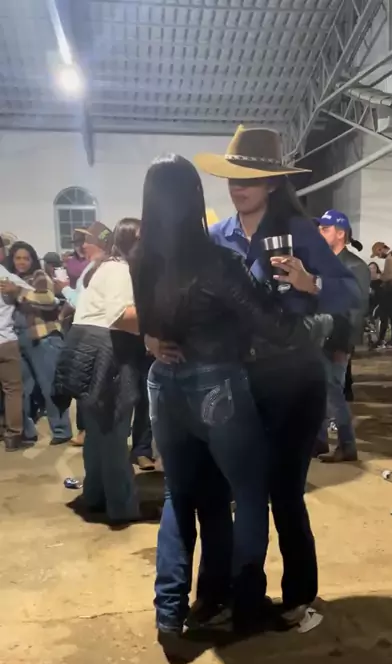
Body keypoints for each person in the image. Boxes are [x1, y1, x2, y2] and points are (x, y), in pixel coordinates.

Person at [148, 127, 360, 635]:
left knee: (283, 493)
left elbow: (351, 293)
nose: (238, 187)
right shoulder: (217, 236)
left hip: (291, 381)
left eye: (250, 178)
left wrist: (312, 282)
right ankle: (226, 593)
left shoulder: (297, 230)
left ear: (272, 183)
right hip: (233, 383)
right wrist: (153, 336)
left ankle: (298, 595)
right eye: (232, 177)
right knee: (226, 495)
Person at [54, 218, 143, 524]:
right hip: (106, 352)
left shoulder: (103, 268)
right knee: (114, 433)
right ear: (130, 242)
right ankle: (123, 507)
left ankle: (95, 496)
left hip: (86, 348)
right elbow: (120, 315)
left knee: (97, 432)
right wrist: (160, 318)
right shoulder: (119, 269)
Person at [313, 210, 370, 461]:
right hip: (319, 336)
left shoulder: (355, 266)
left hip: (338, 339)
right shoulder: (322, 263)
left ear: (340, 233)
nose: (319, 233)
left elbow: (357, 309)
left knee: (334, 393)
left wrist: (345, 344)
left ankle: (347, 445)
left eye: (324, 229)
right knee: (318, 391)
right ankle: (319, 441)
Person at [3, 241, 72, 445]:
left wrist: (18, 291)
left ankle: (61, 430)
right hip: (18, 338)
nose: (22, 262)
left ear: (33, 260)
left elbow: (49, 300)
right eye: (18, 258)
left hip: (43, 338)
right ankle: (27, 431)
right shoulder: (8, 279)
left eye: (26, 258)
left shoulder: (39, 277)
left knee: (49, 386)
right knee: (22, 390)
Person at [59, 223, 114, 447]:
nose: (83, 246)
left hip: (93, 337)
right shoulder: (95, 266)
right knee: (88, 387)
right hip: (90, 336)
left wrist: (63, 288)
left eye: (87, 242)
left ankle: (91, 431)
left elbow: (80, 302)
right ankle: (90, 430)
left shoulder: (103, 268)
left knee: (90, 388)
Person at [0, 259, 27, 451]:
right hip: (5, 340)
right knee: (13, 391)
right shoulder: (7, 277)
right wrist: (17, 291)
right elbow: (38, 295)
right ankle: (13, 436)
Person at [371, 242, 392, 348]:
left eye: (378, 254)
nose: (378, 257)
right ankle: (390, 339)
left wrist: (379, 277)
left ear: (380, 250)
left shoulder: (390, 258)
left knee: (387, 315)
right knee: (391, 314)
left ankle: (389, 340)